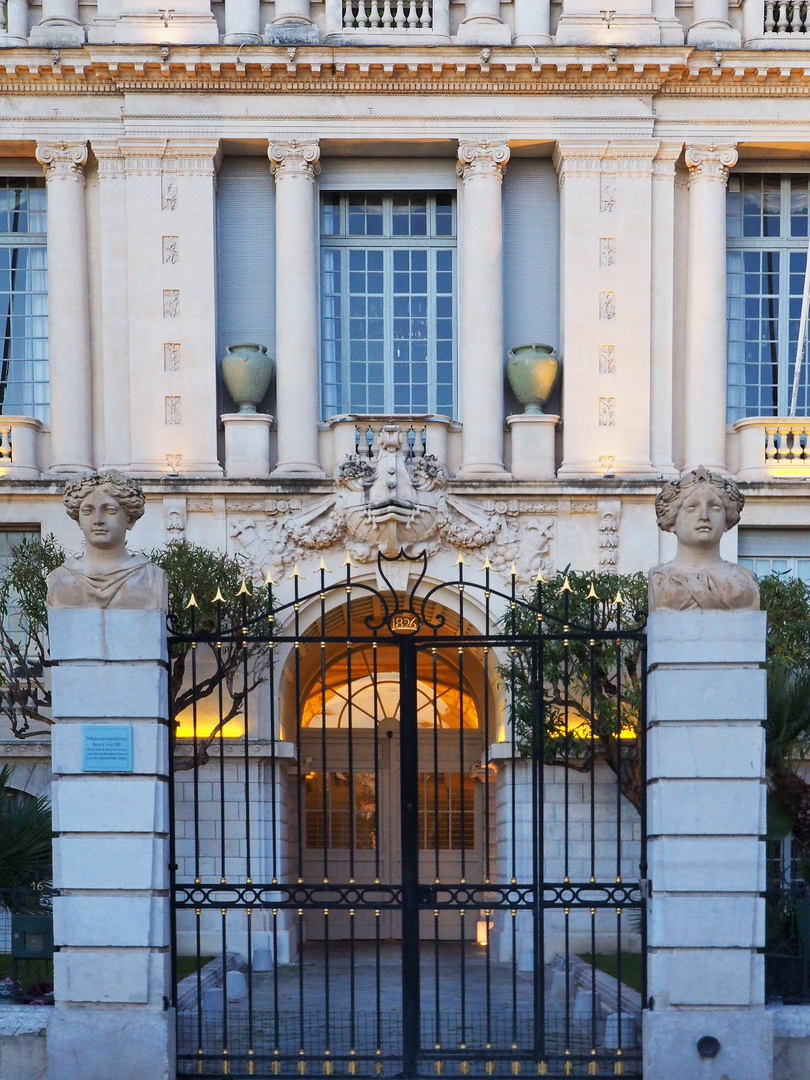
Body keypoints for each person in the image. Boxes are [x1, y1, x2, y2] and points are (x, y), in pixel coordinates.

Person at [47, 471, 166, 610]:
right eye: (87, 511)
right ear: (78, 520)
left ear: (130, 519)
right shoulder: (59, 579)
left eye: (110, 510)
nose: (98, 520)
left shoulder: (152, 577)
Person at [649, 466, 759, 612]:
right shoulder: (659, 579)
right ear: (672, 521)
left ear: (727, 520)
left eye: (715, 507)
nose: (704, 516)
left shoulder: (746, 580)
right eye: (691, 507)